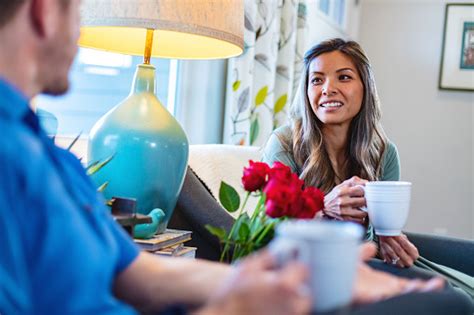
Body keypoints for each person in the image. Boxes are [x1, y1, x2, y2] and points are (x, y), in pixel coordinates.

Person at [0, 1, 470, 314]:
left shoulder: (51, 157)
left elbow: (137, 271)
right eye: (75, 8)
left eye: (345, 78)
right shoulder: (13, 160)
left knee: (447, 300)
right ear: (43, 12)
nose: (81, 27)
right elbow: (262, 228)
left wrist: (250, 283)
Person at [262, 38, 473, 300]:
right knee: (458, 302)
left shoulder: (384, 153)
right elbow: (269, 233)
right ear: (306, 91)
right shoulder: (283, 145)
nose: (328, 89)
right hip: (311, 272)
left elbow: (380, 236)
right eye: (317, 80)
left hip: (367, 263)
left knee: (466, 292)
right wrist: (323, 209)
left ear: (365, 87)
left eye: (344, 77)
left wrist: (389, 242)